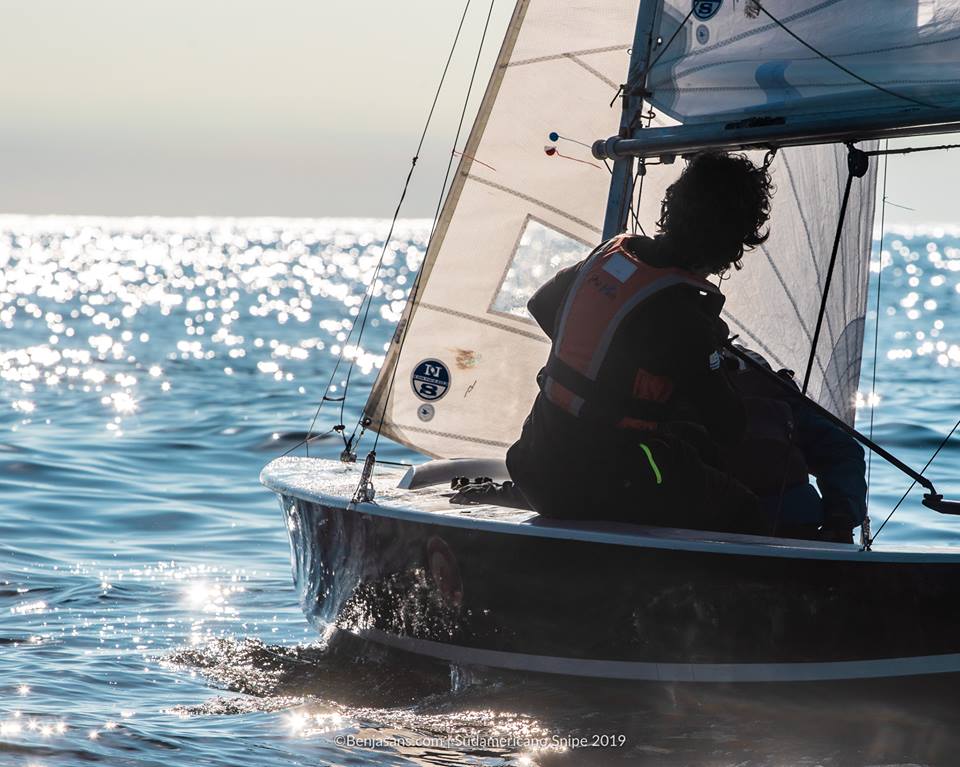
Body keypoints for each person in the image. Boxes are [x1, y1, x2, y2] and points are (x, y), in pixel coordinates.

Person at [505, 152, 774, 535]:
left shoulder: (611, 255)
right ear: (731, 240)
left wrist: (607, 376)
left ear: (675, 204)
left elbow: (542, 305)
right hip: (600, 484)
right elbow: (730, 427)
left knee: (685, 445)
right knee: (744, 509)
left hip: (535, 460)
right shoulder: (687, 318)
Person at [723, 345, 867, 543]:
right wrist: (841, 518)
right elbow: (843, 451)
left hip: (706, 523)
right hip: (794, 523)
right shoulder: (773, 388)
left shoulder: (688, 376)